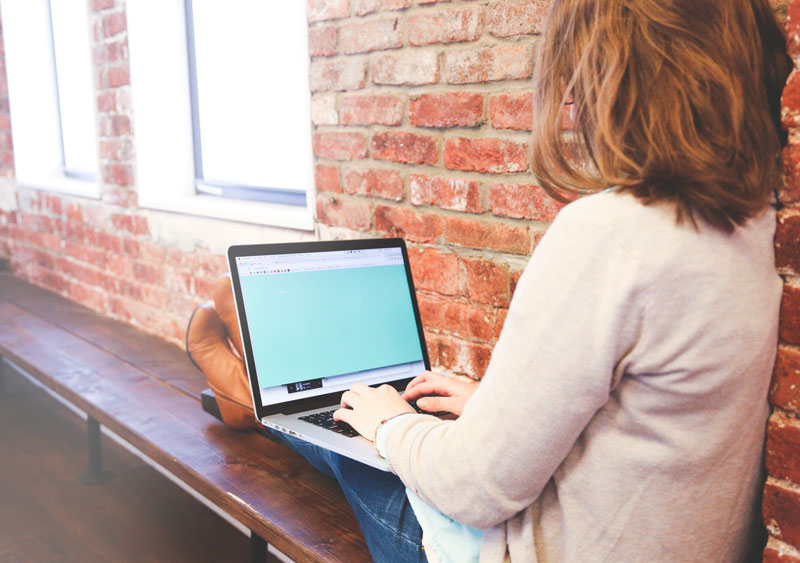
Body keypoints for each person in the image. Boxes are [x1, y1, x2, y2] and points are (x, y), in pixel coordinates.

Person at [190, 0, 793, 561]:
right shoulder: (761, 230)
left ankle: (247, 395)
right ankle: (259, 395)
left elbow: (476, 491)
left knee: (359, 446)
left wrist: (392, 423)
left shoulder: (610, 236)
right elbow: (647, 426)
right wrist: (491, 409)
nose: (572, 99)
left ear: (616, 78)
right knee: (371, 417)